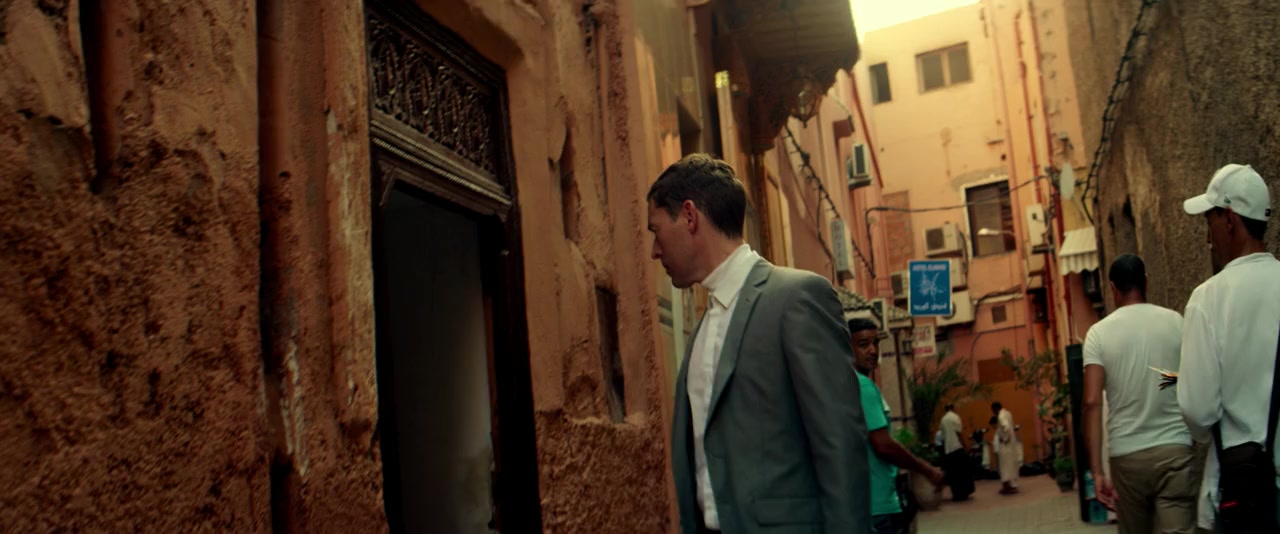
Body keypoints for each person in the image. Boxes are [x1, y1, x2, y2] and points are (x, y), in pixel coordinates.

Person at [652, 154, 870, 533]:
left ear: (689, 216)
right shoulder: (703, 326)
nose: (654, 250)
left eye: (656, 231)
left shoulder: (797, 298)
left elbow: (840, 445)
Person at [1177, 163, 1280, 532]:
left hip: (1242, 490)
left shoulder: (1208, 299)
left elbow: (1197, 408)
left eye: (1210, 222)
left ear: (1230, 219)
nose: (1209, 237)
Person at [1083, 253, 1196, 533]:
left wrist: (1097, 471)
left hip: (1127, 457)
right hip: (1174, 449)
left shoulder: (1098, 335)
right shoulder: (1175, 322)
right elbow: (1192, 381)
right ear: (1146, 282)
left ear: (1112, 288)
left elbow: (1092, 402)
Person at [848, 318, 944, 534]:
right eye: (863, 345)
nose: (873, 351)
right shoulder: (863, 386)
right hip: (878, 504)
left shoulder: (847, 383)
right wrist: (926, 469)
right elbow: (883, 445)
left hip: (862, 502)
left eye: (876, 343)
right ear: (847, 348)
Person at [940, 403, 974, 501]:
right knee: (962, 472)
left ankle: (956, 493)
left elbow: (943, 438)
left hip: (948, 450)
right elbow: (959, 433)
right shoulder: (955, 417)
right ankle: (964, 492)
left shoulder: (943, 420)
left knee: (953, 473)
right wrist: (965, 446)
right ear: (953, 408)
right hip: (957, 447)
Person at [992, 402, 1019, 495]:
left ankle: (1007, 486)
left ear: (996, 409)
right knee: (1010, 464)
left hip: (1005, 445)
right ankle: (1010, 485)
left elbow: (1006, 427)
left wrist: (1004, 438)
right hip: (1011, 444)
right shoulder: (1008, 413)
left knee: (1004, 466)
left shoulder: (1001, 416)